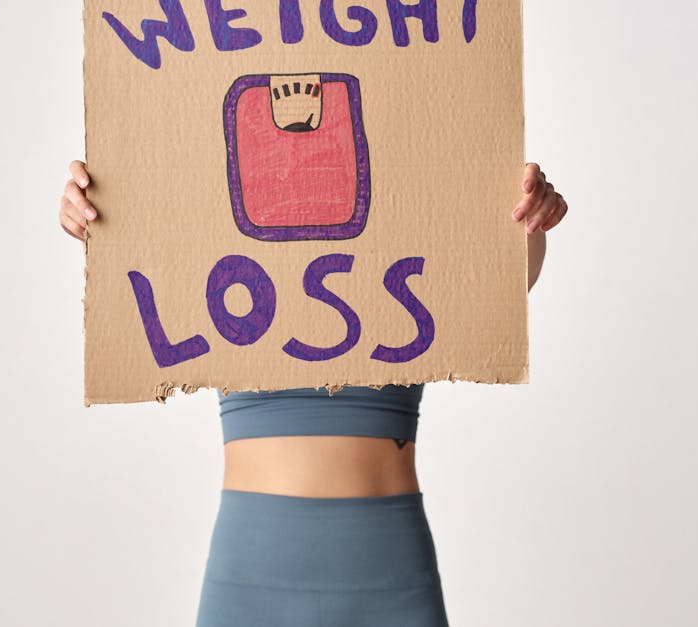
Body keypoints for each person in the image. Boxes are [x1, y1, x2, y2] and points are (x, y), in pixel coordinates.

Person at [58, 159, 568, 626]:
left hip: (387, 567)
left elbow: (501, 280)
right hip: (252, 574)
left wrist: (532, 215)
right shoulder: (221, 215)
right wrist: (94, 216)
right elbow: (142, 252)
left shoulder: (410, 215)